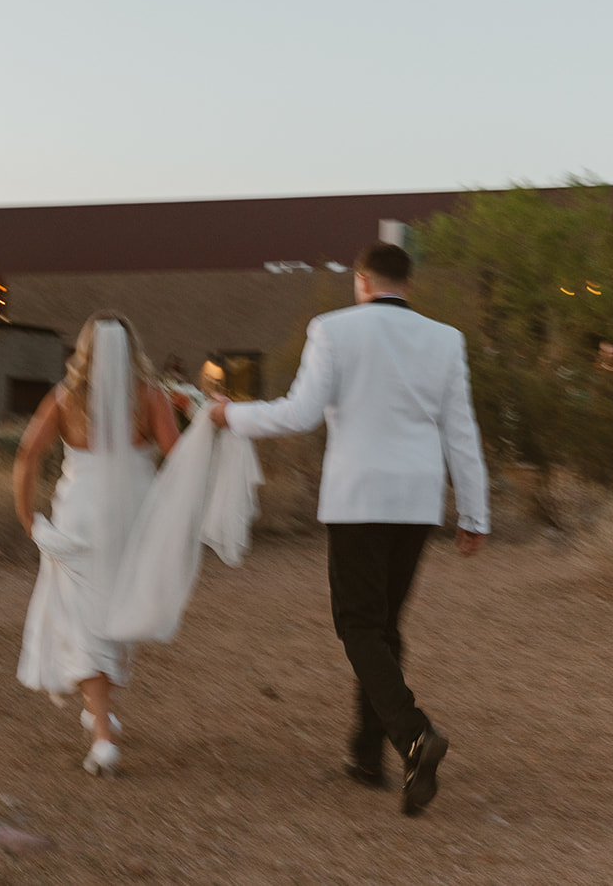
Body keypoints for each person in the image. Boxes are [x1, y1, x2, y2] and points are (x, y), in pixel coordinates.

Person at [210, 243, 488, 816]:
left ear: (362, 280)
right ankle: (367, 757)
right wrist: (474, 512)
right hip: (416, 499)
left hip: (358, 496)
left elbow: (299, 413)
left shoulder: (332, 329)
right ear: (407, 282)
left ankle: (413, 735)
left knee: (358, 624)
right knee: (384, 625)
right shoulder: (445, 339)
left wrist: (228, 415)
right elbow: (461, 430)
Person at [13, 313, 180, 777]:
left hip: (80, 518)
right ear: (132, 350)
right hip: (133, 521)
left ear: (84, 351)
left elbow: (29, 453)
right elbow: (180, 460)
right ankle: (102, 722)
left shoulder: (66, 398)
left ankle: (102, 733)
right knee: (115, 613)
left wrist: (27, 515)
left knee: (84, 618)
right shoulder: (150, 398)